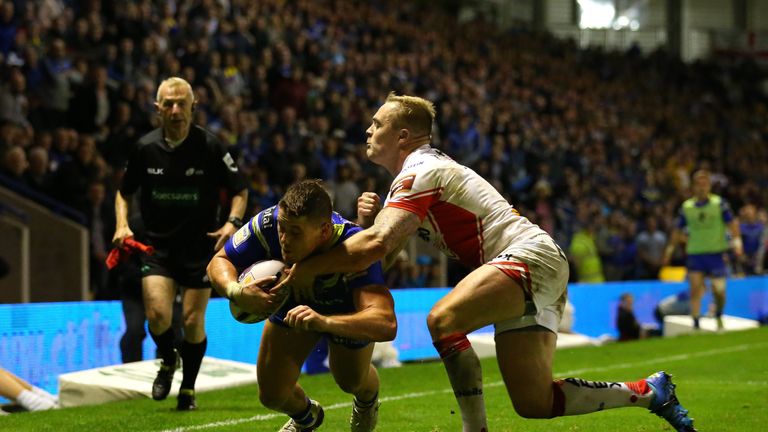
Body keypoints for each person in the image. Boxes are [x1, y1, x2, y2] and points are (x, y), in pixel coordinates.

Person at [277, 94, 696, 432]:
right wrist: (366, 225)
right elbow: (380, 258)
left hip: (528, 256)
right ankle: (648, 392)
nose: (368, 130)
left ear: (403, 136)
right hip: (534, 265)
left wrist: (308, 268)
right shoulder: (409, 180)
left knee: (443, 320)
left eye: (377, 124)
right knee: (535, 402)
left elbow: (377, 245)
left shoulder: (418, 171)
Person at [207, 180, 396, 432]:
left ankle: (367, 400)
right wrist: (236, 290)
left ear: (324, 231)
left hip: (345, 309)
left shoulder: (355, 249)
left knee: (350, 381)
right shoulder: (267, 223)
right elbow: (219, 260)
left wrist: (324, 322)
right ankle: (307, 418)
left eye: (295, 232)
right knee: (272, 394)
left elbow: (386, 323)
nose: (284, 239)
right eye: (282, 228)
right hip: (294, 300)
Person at [112, 77, 247, 410]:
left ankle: (187, 388)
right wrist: (121, 224)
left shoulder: (212, 146)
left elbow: (240, 190)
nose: (175, 110)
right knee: (157, 316)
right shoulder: (145, 148)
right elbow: (123, 192)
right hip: (157, 248)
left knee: (191, 322)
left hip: (200, 248)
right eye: (168, 104)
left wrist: (232, 223)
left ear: (193, 107)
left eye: (181, 103)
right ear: (158, 109)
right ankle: (169, 359)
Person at [663, 169, 742, 331]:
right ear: (693, 187)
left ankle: (719, 313)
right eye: (698, 184)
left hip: (716, 253)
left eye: (705, 184)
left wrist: (737, 241)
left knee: (719, 290)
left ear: (709, 186)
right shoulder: (687, 207)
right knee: (695, 288)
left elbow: (732, 223)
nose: (701, 188)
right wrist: (670, 249)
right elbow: (677, 230)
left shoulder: (719, 204)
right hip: (695, 253)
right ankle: (696, 322)